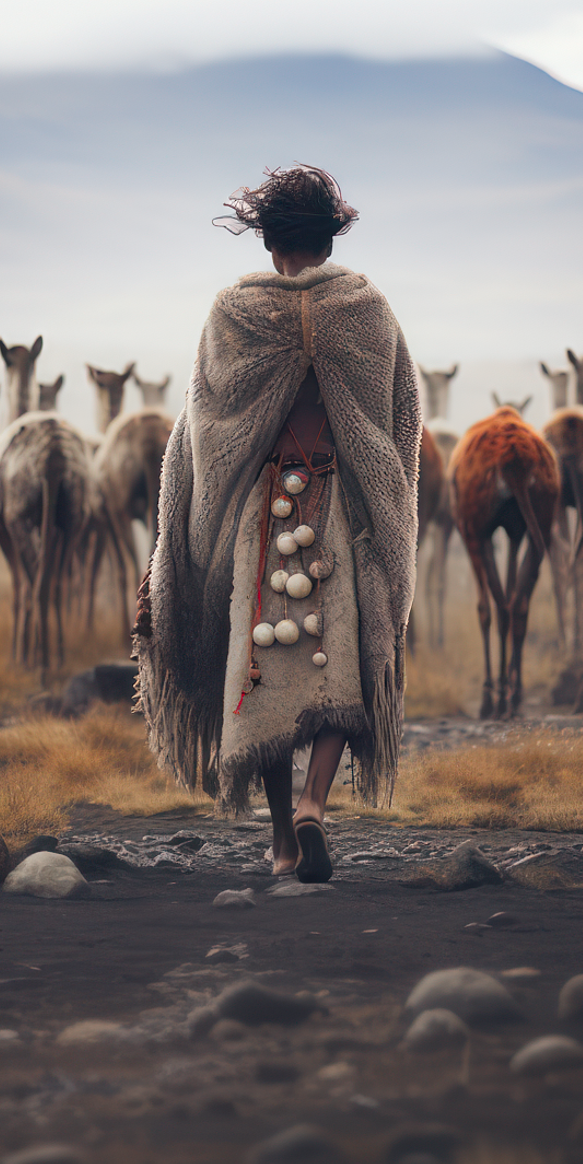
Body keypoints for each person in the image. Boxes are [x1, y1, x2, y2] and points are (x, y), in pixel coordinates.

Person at [135, 166, 422, 880]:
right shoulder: (365, 308)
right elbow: (399, 422)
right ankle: (315, 807)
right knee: (341, 670)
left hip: (261, 518)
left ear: (268, 241)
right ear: (329, 238)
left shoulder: (236, 313)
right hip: (337, 514)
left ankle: (283, 843)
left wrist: (184, 536)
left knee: (260, 670)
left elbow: (203, 429)